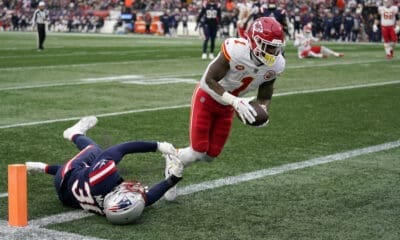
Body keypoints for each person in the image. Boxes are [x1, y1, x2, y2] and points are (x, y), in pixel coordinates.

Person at [163, 17, 285, 201]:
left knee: (211, 155)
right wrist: (235, 101)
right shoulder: (235, 49)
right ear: (254, 40)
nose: (272, 52)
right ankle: (173, 162)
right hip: (207, 97)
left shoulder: (277, 65)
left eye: (276, 47)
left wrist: (263, 111)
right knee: (198, 150)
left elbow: (265, 95)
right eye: (268, 46)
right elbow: (207, 81)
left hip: (228, 105)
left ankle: (177, 155)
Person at [26, 116, 183, 225]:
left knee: (95, 150)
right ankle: (43, 167)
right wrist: (173, 179)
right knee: (86, 170)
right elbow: (147, 199)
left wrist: (157, 146)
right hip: (67, 197)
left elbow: (122, 148)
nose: (135, 190)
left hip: (67, 175)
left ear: (116, 194)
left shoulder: (101, 177)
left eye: (130, 193)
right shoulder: (113, 208)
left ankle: (73, 133)